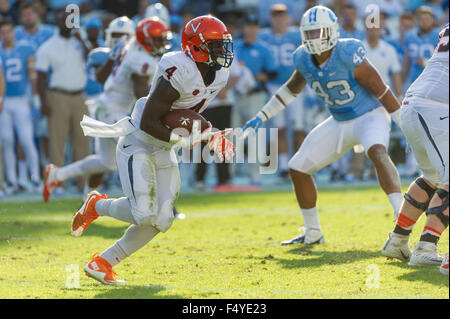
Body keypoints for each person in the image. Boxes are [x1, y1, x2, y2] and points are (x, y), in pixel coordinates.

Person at [72, 15, 235, 285]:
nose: (223, 52)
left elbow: (188, 115)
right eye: (215, 45)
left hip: (164, 145)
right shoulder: (178, 68)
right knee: (143, 212)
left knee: (162, 218)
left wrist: (209, 134)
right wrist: (190, 139)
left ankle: (102, 263)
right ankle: (96, 205)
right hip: (140, 140)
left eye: (223, 44)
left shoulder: (221, 74)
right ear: (196, 46)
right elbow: (150, 121)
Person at [242, 5, 404, 246]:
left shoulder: (348, 52)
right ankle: (313, 232)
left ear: (331, 31)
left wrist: (406, 126)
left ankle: (402, 219)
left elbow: (382, 90)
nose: (313, 38)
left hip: (370, 114)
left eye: (318, 32)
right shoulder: (302, 57)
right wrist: (262, 115)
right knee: (297, 167)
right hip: (339, 120)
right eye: (309, 33)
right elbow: (291, 89)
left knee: (377, 151)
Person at [42, 17, 170, 202]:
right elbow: (142, 95)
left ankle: (59, 176)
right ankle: (147, 201)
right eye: (158, 39)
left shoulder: (135, 48)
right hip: (112, 111)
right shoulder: (140, 59)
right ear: (146, 39)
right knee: (136, 152)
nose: (162, 43)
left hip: (109, 107)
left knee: (106, 163)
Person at [381, 24, 448, 269]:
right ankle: (426, 248)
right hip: (434, 108)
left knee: (432, 177)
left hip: (415, 104)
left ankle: (397, 241)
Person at [36, 10, 91, 195]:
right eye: (64, 21)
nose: (68, 24)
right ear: (58, 23)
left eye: (71, 21)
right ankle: (56, 182)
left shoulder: (79, 42)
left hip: (80, 96)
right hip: (57, 96)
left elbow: (92, 58)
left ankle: (83, 183)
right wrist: (43, 101)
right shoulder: (48, 47)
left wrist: (81, 38)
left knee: (83, 141)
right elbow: (41, 77)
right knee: (57, 142)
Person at [258, 4, 305, 181]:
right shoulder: (264, 37)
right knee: (280, 128)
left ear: (288, 18)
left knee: (299, 128)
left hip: (296, 85)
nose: (279, 20)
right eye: (275, 16)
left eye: (282, 16)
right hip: (273, 86)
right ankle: (284, 166)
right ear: (271, 19)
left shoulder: (295, 34)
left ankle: (302, 164)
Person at [0, 20, 40, 192]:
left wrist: (36, 99)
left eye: (8, 31)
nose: (5, 35)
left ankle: (36, 177)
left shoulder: (25, 48)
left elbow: (32, 75)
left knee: (26, 139)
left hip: (21, 99)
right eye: (3, 32)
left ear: (13, 32)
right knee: (7, 140)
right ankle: (12, 180)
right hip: (4, 100)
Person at [402, 6, 440, 91]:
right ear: (416, 21)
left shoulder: (439, 36)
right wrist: (402, 81)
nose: (424, 22)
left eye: (427, 19)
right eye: (421, 19)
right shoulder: (410, 35)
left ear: (433, 20)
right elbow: (407, 60)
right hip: (413, 81)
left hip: (433, 83)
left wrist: (425, 62)